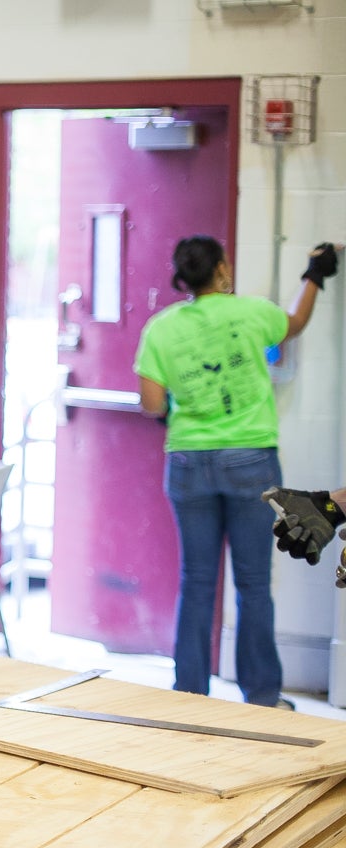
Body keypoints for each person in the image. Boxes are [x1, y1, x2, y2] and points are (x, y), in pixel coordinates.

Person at [134, 238, 337, 709]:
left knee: (197, 580)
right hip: (251, 460)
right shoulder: (250, 313)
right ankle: (262, 697)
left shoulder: (160, 329)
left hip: (188, 462)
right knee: (252, 583)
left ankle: (189, 696)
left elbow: (151, 404)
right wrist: (314, 275)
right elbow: (296, 323)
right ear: (222, 269)